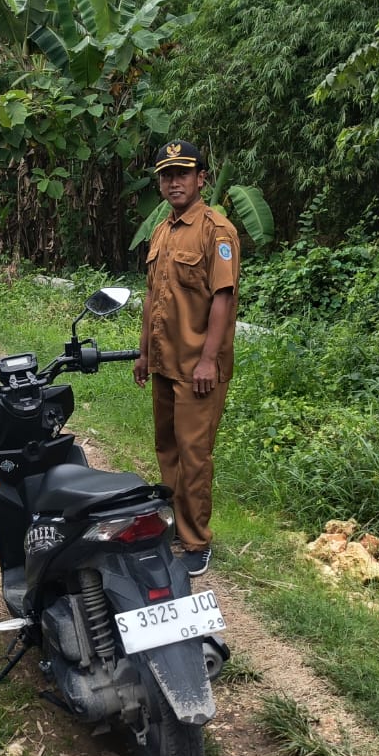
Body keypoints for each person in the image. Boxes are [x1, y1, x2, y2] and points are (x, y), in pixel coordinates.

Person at [133, 140, 241, 578]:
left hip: (198, 368)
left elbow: (223, 298)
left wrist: (208, 360)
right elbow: (151, 298)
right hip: (164, 362)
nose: (174, 181)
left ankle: (196, 540)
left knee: (195, 454)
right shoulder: (161, 231)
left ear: (201, 178)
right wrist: (143, 353)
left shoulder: (217, 231)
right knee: (168, 448)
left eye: (183, 172)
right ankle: (174, 525)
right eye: (166, 174)